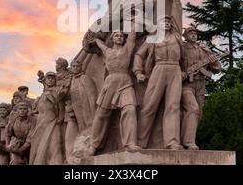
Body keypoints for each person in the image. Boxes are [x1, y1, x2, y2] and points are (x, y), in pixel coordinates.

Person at [133, 16, 186, 150]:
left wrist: (184, 71)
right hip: (159, 68)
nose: (167, 24)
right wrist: (138, 72)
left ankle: (172, 142)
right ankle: (139, 142)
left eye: (169, 22)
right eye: (164, 22)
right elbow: (139, 55)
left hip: (175, 69)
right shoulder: (152, 38)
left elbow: (184, 57)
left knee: (173, 106)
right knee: (149, 105)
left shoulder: (177, 38)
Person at [87, 27, 141, 156]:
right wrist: (94, 39)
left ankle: (130, 143)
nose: (119, 37)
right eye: (116, 36)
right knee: (101, 114)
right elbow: (99, 44)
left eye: (121, 36)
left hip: (125, 82)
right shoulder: (107, 51)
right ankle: (93, 145)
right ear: (112, 39)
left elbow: (132, 36)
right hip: (110, 83)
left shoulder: (127, 49)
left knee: (130, 109)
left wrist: (134, 21)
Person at [181, 26, 221, 150]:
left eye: (195, 33)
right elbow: (173, 62)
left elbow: (217, 69)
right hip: (186, 84)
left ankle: (186, 139)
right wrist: (180, 72)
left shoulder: (204, 50)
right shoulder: (181, 48)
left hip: (201, 84)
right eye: (190, 33)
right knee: (193, 108)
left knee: (199, 114)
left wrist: (213, 61)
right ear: (185, 36)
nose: (193, 35)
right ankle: (188, 142)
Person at [26, 71, 70, 164]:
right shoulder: (45, 92)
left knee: (54, 146)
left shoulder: (57, 90)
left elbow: (61, 103)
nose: (50, 80)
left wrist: (60, 119)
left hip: (52, 122)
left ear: (55, 80)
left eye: (52, 78)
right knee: (38, 143)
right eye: (48, 79)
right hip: (41, 123)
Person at [64, 60, 97, 160]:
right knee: (82, 127)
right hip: (77, 108)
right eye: (73, 66)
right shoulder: (71, 81)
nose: (75, 67)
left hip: (87, 107)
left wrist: (94, 110)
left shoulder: (85, 78)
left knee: (90, 125)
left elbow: (92, 95)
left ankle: (92, 148)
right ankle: (84, 149)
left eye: (77, 66)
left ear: (81, 67)